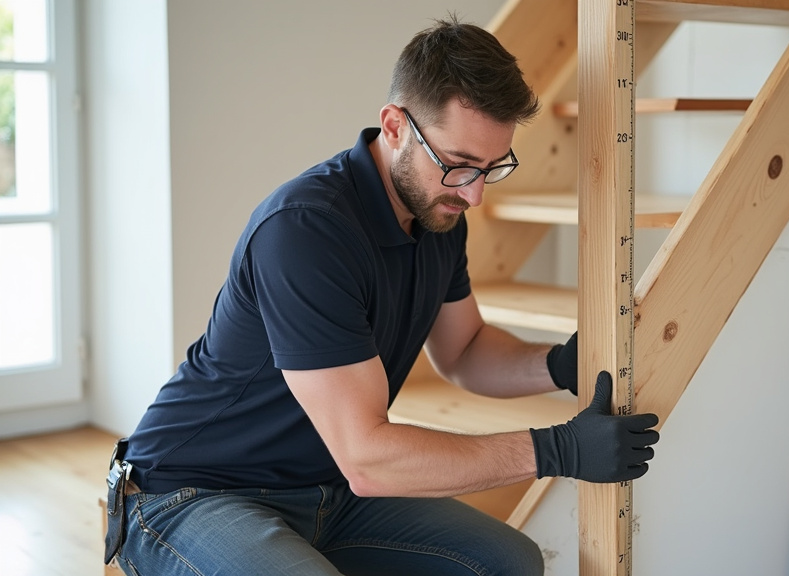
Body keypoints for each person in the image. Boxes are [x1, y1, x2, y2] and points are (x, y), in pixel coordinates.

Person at [103, 17, 659, 576]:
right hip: (191, 493)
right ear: (395, 126)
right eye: (459, 165)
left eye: (492, 169)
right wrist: (557, 450)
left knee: (508, 562)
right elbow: (368, 457)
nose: (475, 194)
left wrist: (561, 364)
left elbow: (464, 352)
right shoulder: (305, 229)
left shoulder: (439, 214)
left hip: (329, 490)